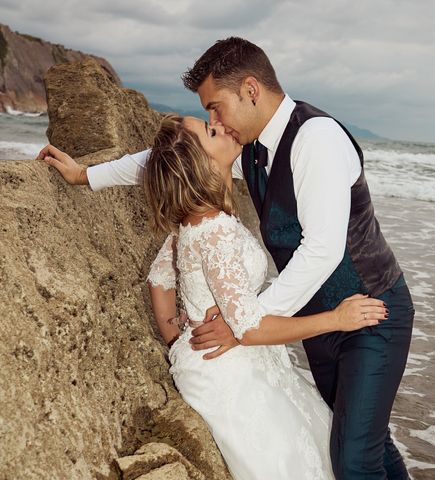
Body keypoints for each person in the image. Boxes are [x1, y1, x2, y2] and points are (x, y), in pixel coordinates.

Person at [38, 37, 414, 480]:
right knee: (366, 441)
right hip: (320, 319)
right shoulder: (250, 148)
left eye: (216, 107)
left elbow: (323, 250)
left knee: (353, 459)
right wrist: (86, 175)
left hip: (370, 313)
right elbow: (168, 159)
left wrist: (246, 323)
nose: (213, 120)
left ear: (251, 90)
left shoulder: (316, 138)